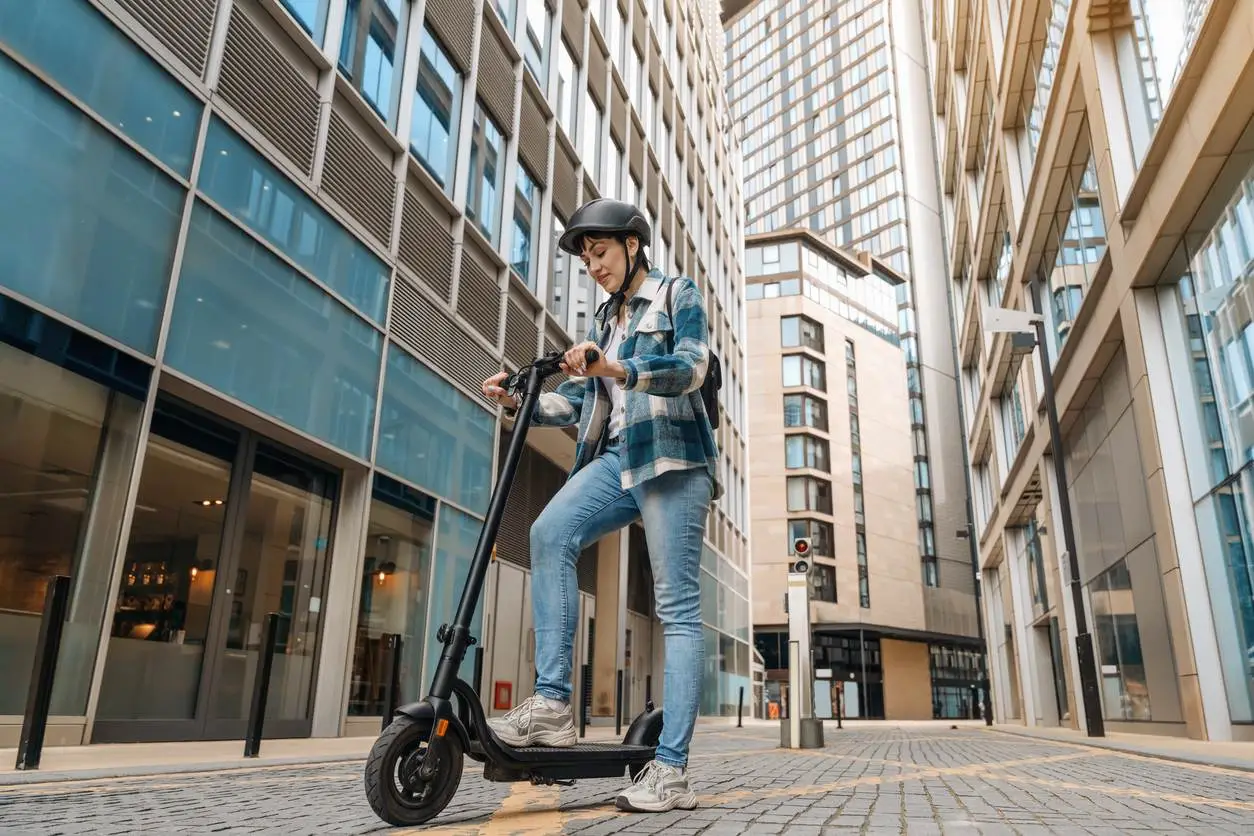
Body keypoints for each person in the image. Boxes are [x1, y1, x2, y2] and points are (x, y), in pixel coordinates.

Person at [480, 198, 719, 813]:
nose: (593, 267)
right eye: (586, 259)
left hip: (671, 457)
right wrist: (521, 401)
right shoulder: (605, 321)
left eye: (601, 253)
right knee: (549, 533)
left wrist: (620, 365)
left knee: (678, 610)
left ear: (632, 246)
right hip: (615, 459)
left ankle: (671, 771)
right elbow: (581, 407)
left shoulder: (675, 293)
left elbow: (692, 368)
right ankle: (554, 705)